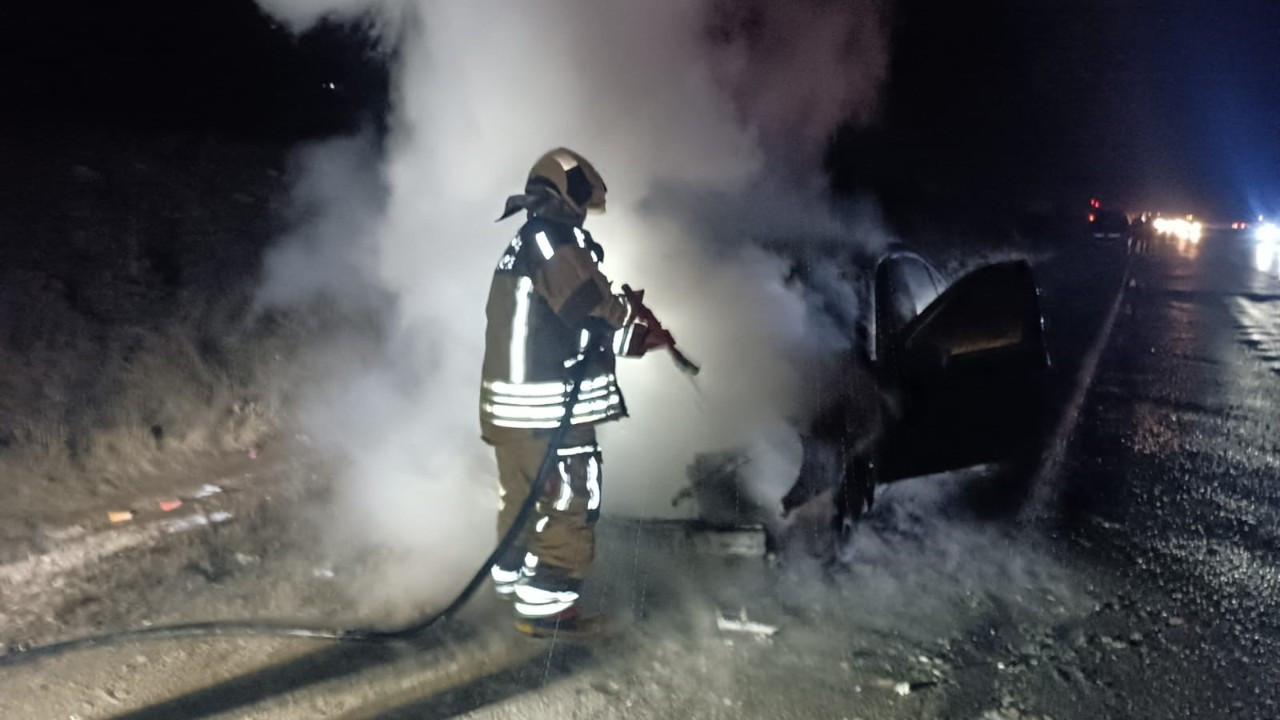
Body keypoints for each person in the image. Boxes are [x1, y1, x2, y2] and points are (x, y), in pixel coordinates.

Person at [480, 148, 668, 636]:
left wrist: (632, 333)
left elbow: (568, 323)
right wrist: (633, 324)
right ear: (564, 195)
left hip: (517, 408)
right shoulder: (551, 241)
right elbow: (587, 306)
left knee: (523, 499)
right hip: (548, 406)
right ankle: (548, 607)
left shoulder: (529, 242)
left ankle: (516, 585)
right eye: (581, 202)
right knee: (570, 497)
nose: (584, 213)